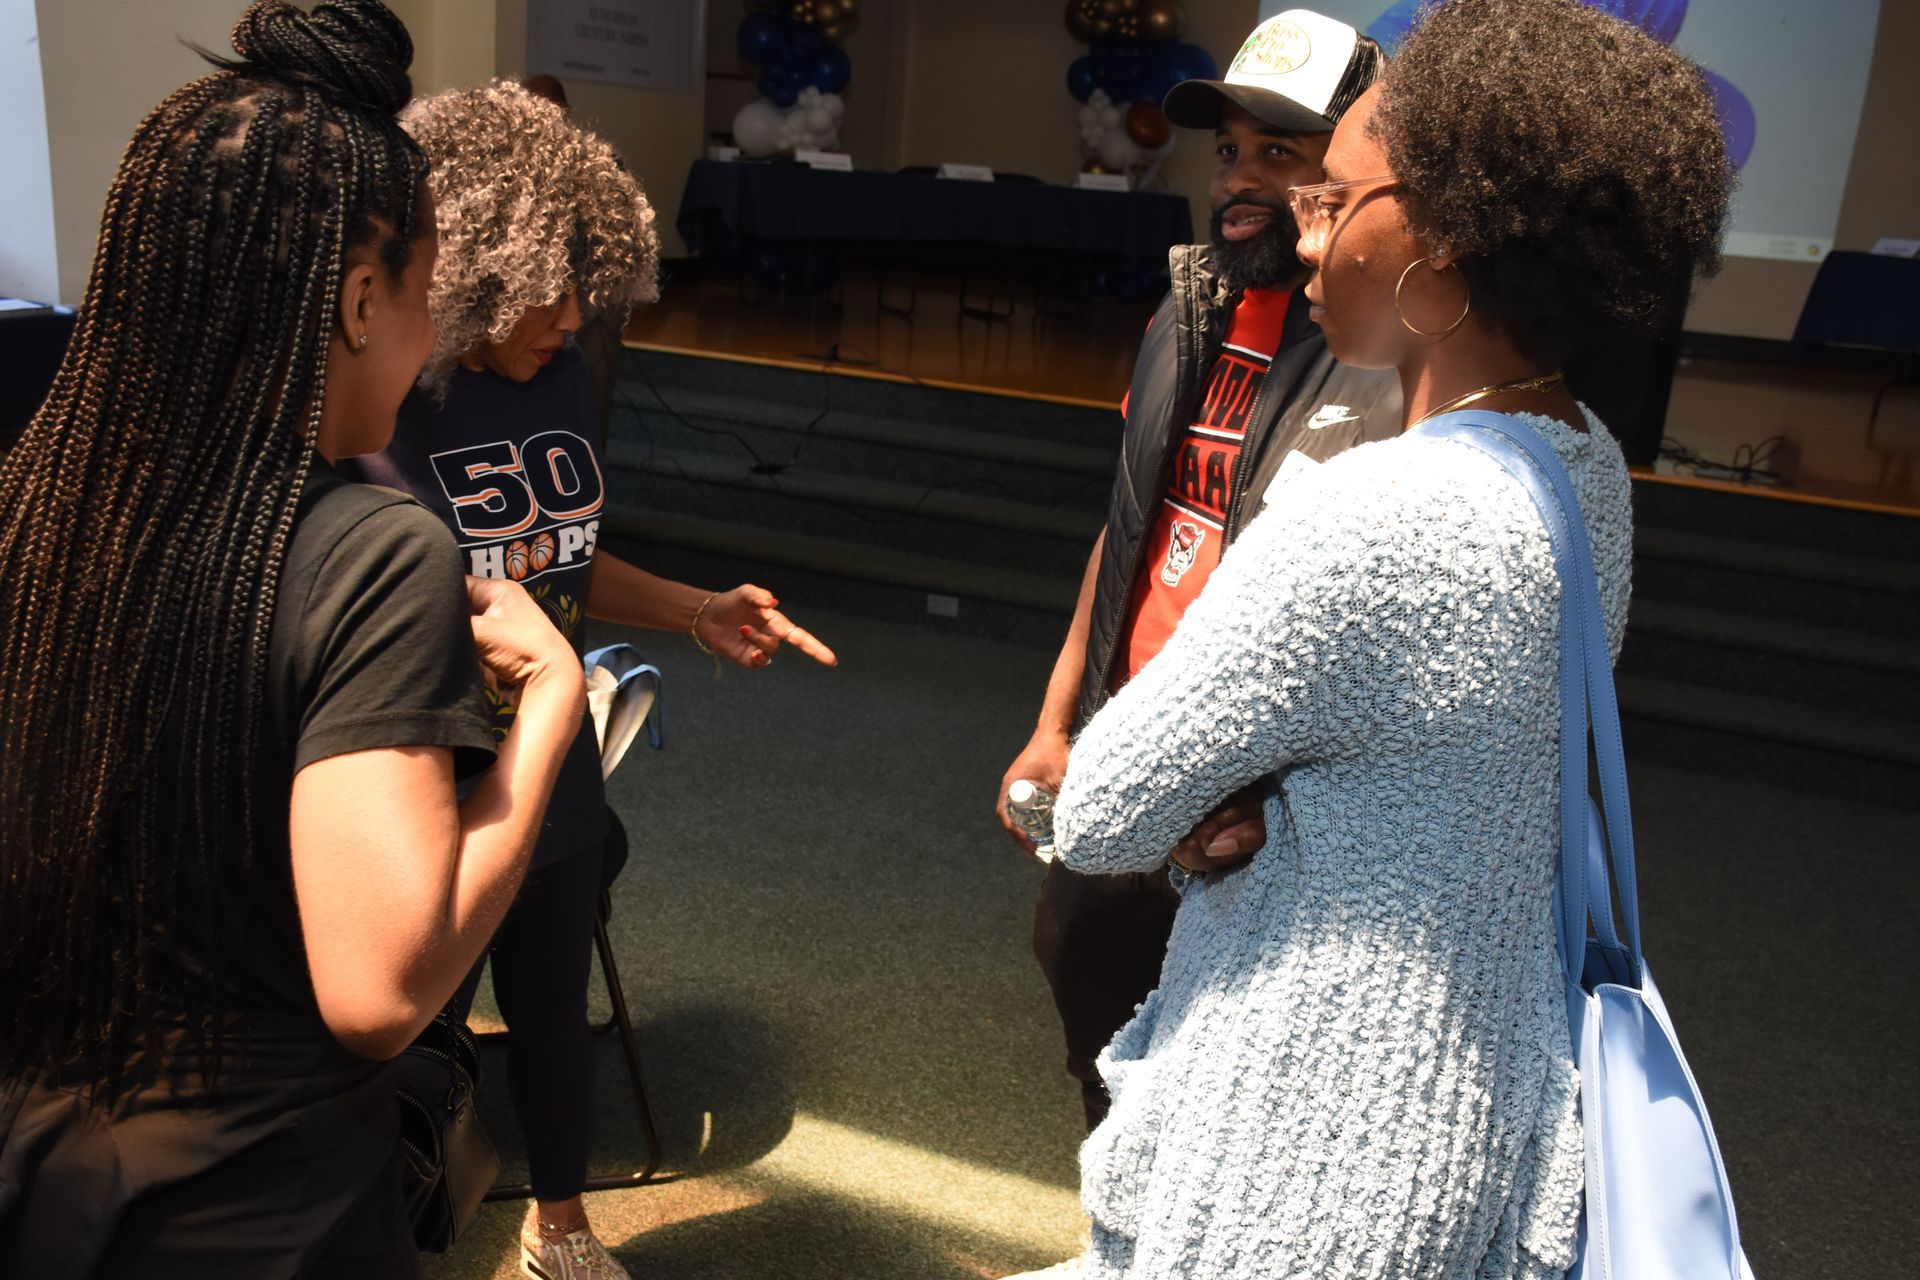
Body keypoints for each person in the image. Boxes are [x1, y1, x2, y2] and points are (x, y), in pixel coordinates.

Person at [1030, 0, 1735, 1275]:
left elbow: (1104, 811)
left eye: (1334, 197)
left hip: (1303, 1140)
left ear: (1440, 237)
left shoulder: (1367, 511)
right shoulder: (1584, 471)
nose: (1306, 227)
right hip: (1473, 1092)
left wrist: (1207, 789)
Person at [0, 3, 585, 1275]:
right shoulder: (372, 554)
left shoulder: (33, 520)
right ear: (363, 299)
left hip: (39, 1184)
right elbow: (380, 990)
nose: (428, 337)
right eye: (426, 298)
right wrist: (550, 703)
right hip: (258, 1212)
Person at [339, 80, 837, 1280]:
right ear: (463, 271)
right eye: (538, 285)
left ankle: (560, 1223)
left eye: (579, 276)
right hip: (420, 771)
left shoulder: (564, 368)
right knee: (403, 1028)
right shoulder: (384, 397)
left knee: (553, 1010)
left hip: (545, 765)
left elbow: (557, 551)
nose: (567, 311)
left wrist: (696, 608)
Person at [996, 8, 1398, 1132]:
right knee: (1089, 990)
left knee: (1231, 1082)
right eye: (1229, 151)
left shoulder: (1372, 352)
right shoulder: (1186, 312)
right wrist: (1058, 718)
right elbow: (1129, 528)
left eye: (1282, 153)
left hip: (1259, 787)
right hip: (1134, 738)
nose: (1242, 179)